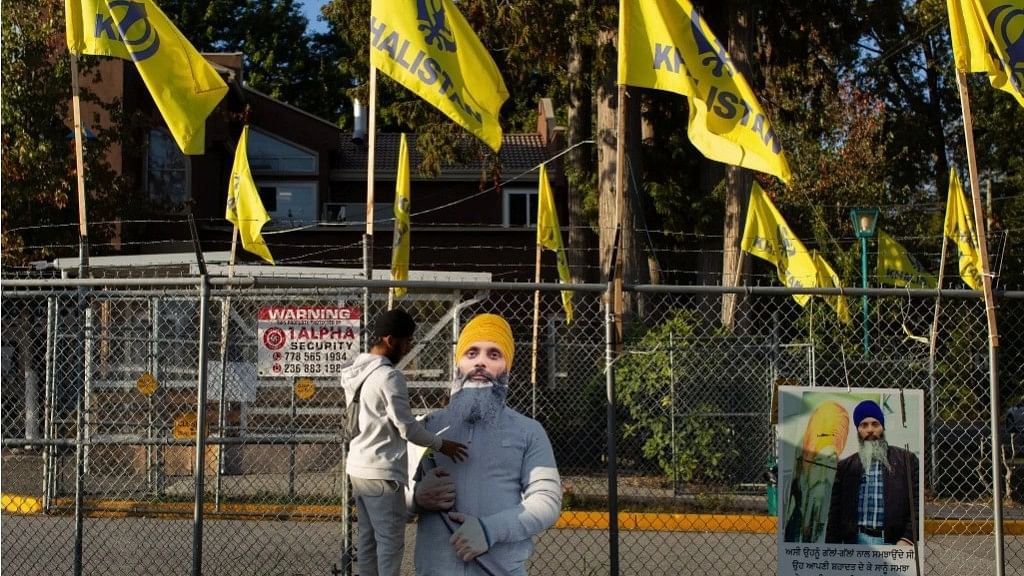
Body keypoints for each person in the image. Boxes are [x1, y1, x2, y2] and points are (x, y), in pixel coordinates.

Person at [410, 313, 561, 576]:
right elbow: (387, 492)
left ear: (507, 368)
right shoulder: (424, 427)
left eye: (494, 355)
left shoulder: (528, 431)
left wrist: (490, 530)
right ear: (457, 364)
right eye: (472, 353)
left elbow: (546, 499)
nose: (481, 362)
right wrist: (417, 498)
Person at [341, 308, 468, 576]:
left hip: (357, 466)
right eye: (406, 341)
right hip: (382, 470)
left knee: (367, 538)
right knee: (389, 541)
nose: (409, 347)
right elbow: (406, 428)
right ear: (390, 340)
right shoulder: (389, 376)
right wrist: (441, 443)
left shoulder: (357, 371)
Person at [826, 400, 919, 546]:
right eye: (864, 425)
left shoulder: (906, 460)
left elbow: (916, 503)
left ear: (882, 427)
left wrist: (908, 538)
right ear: (858, 430)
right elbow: (834, 511)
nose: (870, 430)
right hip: (854, 541)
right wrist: (832, 546)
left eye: (875, 424)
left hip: (894, 543)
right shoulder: (845, 467)